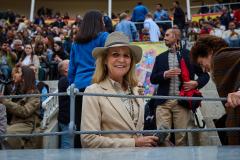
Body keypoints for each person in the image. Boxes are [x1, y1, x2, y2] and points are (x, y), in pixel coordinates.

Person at [81, 31, 158, 148]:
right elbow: (88, 140)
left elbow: (135, 130)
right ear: (105, 60)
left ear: (131, 61)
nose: (122, 60)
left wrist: (152, 139)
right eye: (115, 54)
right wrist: (134, 143)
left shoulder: (136, 90)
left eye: (126, 55)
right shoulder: (93, 91)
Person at [150, 28, 209, 146]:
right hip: (162, 103)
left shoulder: (189, 55)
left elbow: (205, 75)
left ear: (176, 37)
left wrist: (196, 83)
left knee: (181, 137)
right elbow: (153, 78)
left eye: (167, 35)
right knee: (162, 137)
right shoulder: (160, 57)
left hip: (181, 102)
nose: (164, 37)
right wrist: (164, 74)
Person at [68, 10, 109, 148]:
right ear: (99, 22)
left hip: (79, 88)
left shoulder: (76, 43)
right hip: (98, 86)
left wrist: (72, 86)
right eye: (102, 20)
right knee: (102, 126)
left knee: (80, 126)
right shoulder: (104, 36)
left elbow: (71, 70)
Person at [190, 35, 240, 145]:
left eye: (201, 63)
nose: (203, 69)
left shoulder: (219, 57)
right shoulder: (224, 58)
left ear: (209, 52)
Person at [1, 66, 40, 149]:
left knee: (5, 133)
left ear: (25, 77)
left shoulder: (35, 94)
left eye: (19, 72)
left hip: (25, 123)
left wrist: (4, 101)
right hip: (12, 121)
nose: (16, 74)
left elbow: (24, 111)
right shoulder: (16, 89)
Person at [57, 60, 72, 149]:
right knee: (67, 146)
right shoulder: (65, 80)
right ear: (66, 69)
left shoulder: (64, 80)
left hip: (66, 118)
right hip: (66, 119)